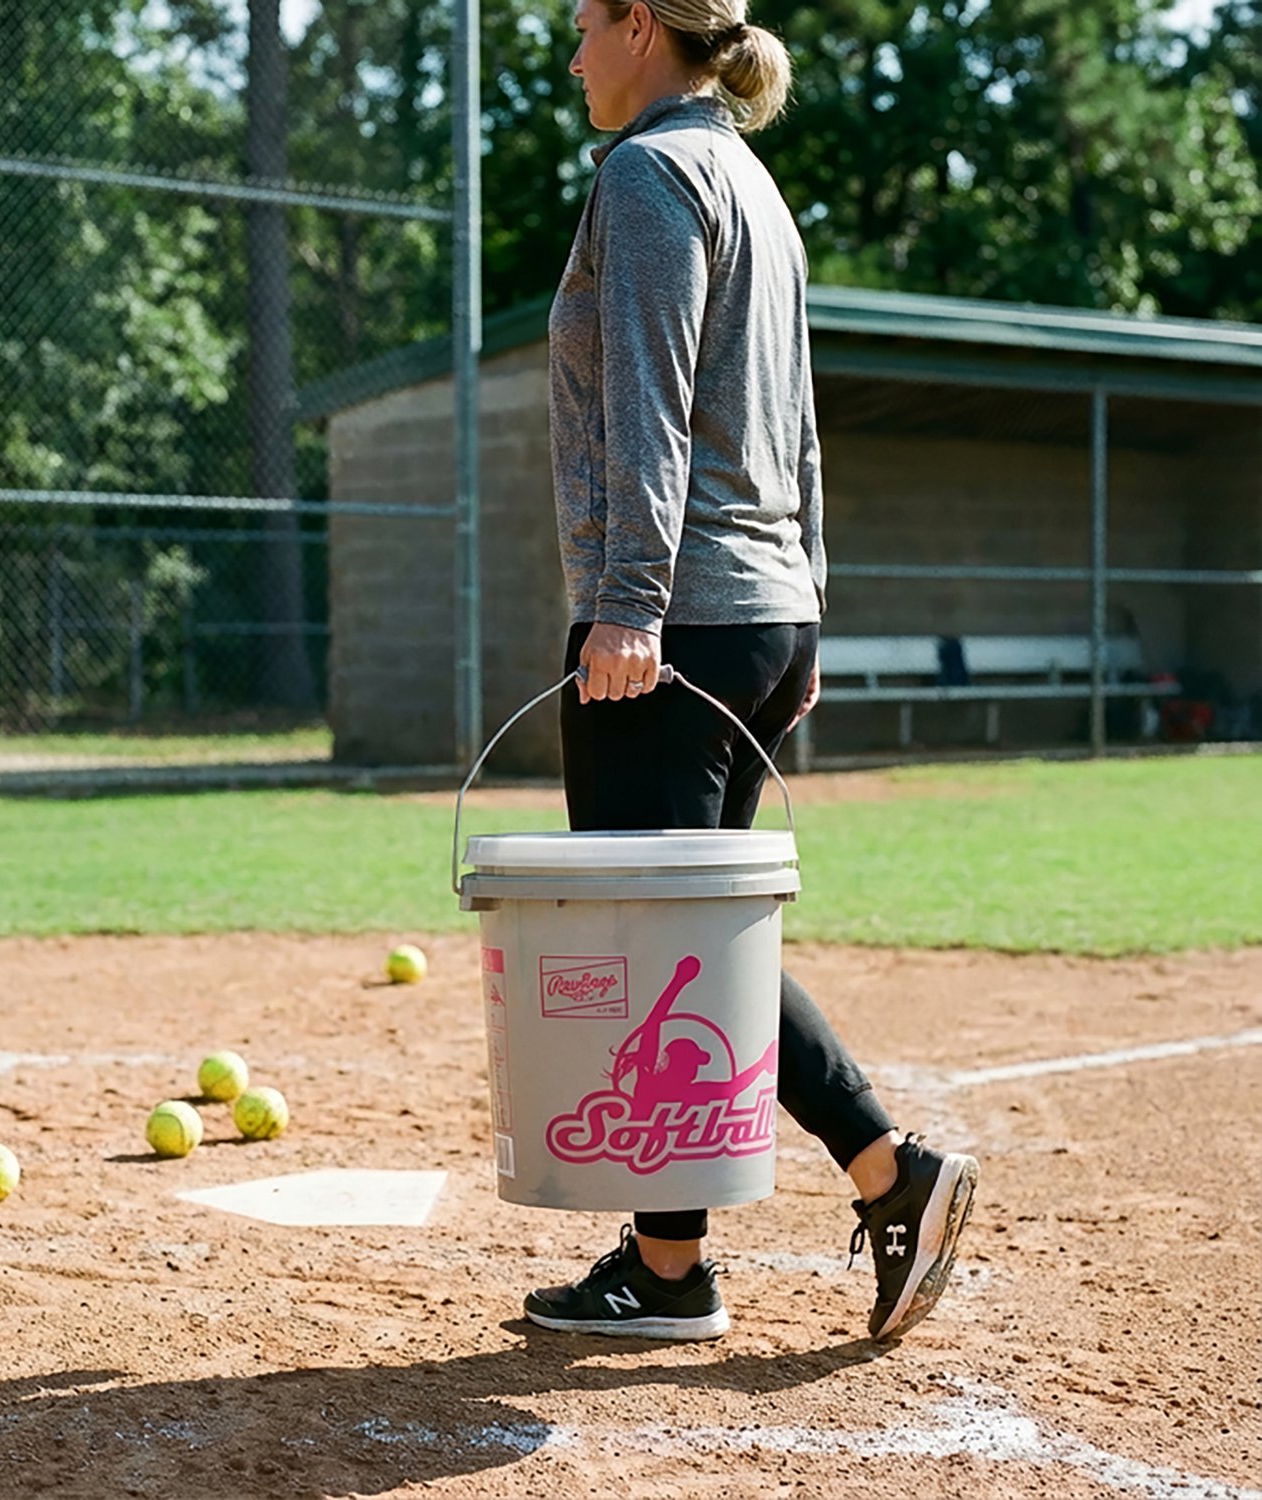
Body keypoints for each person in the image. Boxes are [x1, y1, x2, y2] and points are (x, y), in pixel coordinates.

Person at [523, 0, 980, 1344]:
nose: (569, 58)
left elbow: (651, 405)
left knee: (666, 941)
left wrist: (627, 607)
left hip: (679, 621)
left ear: (639, 23)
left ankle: (892, 1171)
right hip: (759, 615)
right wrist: (812, 614)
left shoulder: (652, 172)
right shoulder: (753, 186)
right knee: (680, 942)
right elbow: (802, 427)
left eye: (580, 27)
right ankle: (667, 1272)